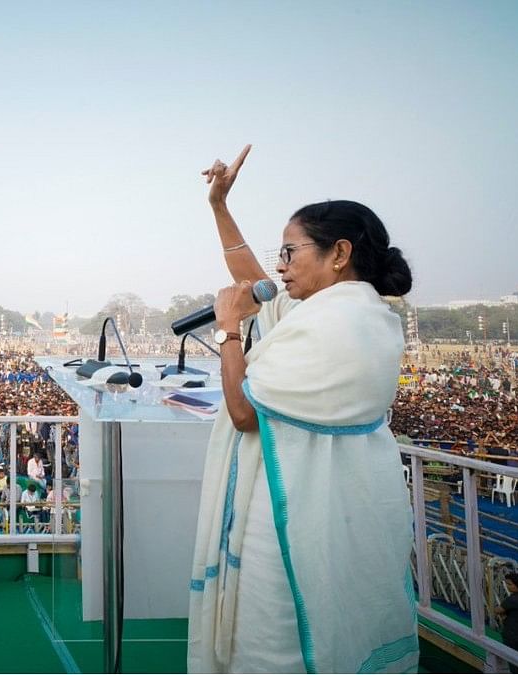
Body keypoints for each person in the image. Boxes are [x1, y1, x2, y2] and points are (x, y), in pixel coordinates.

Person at [188, 145, 417, 673]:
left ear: (338, 253)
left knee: (283, 641)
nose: (279, 266)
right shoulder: (339, 309)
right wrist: (219, 207)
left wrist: (227, 329)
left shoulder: (342, 325)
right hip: (325, 501)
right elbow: (259, 285)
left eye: (290, 253)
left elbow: (245, 413)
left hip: (298, 514)